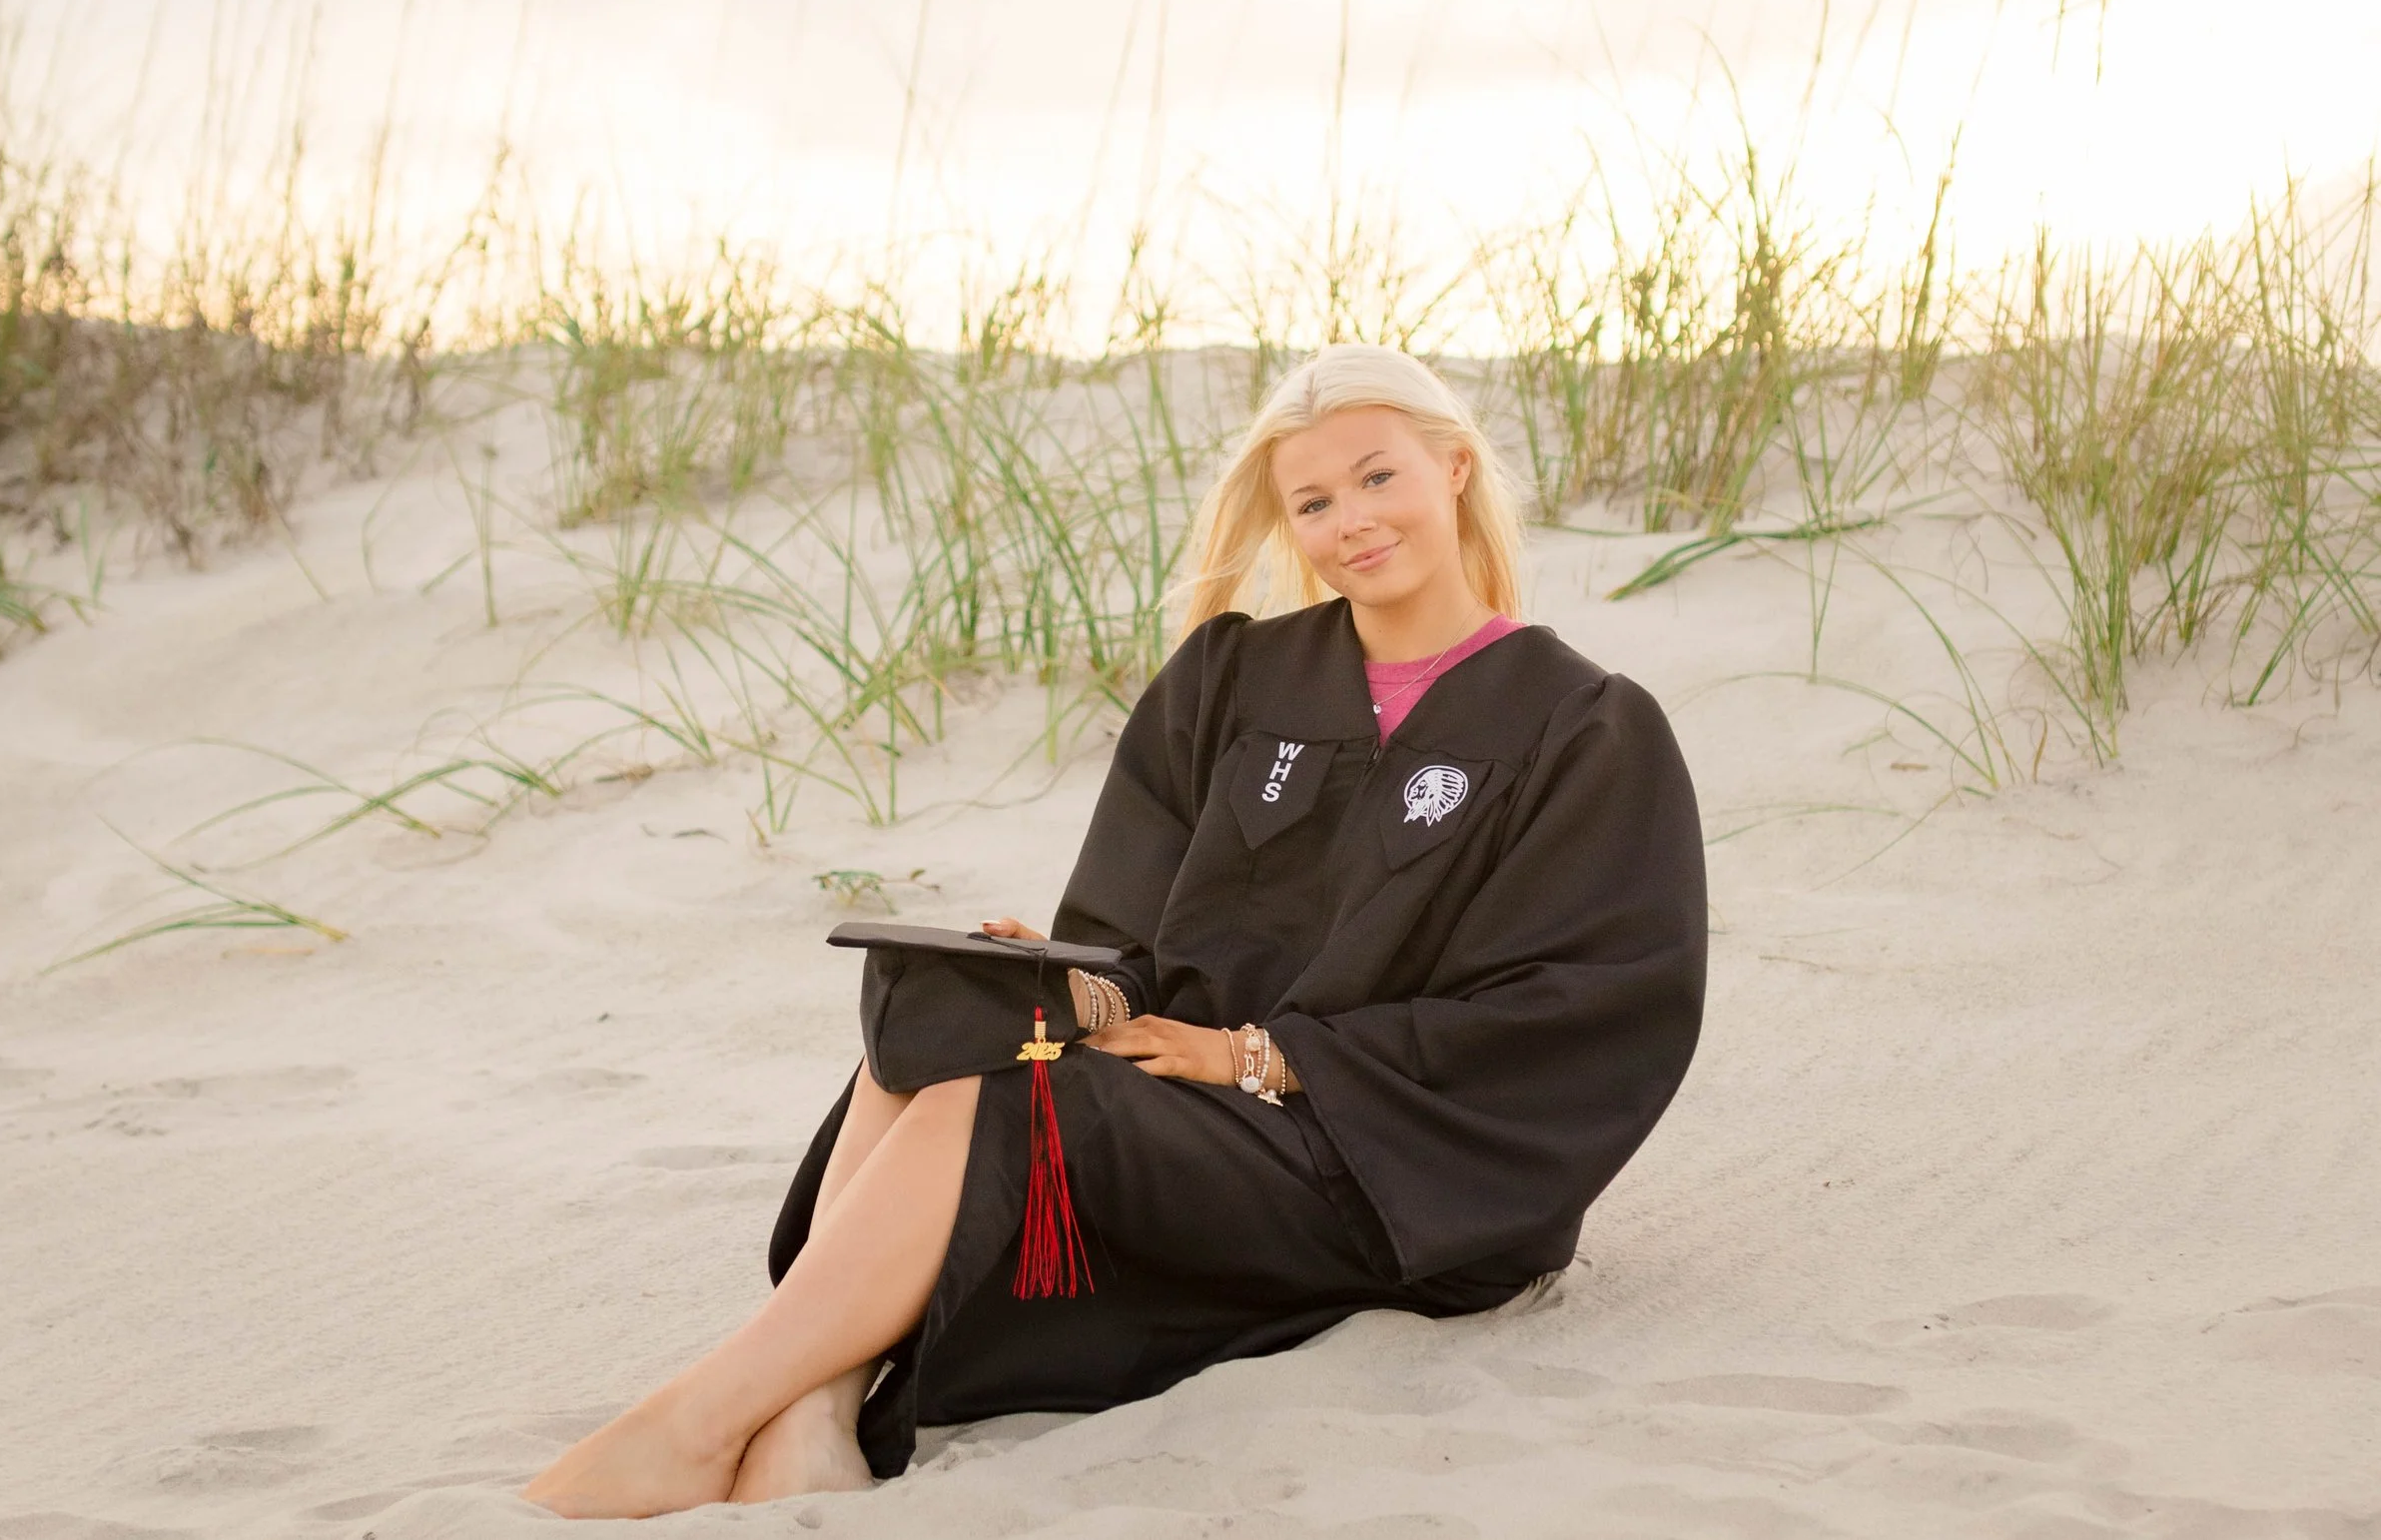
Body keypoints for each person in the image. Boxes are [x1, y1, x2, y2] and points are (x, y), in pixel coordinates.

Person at [522, 345, 1708, 1517]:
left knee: (1002, 1103)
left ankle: (693, 1422)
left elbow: (1579, 1014)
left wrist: (1254, 1054)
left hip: (1388, 1161)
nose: (1351, 518)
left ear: (1451, 468)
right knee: (944, 1019)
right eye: (1313, 500)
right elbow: (1128, 941)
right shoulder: (1233, 679)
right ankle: (811, 1415)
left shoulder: (1581, 726)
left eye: (1377, 476)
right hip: (1185, 1112)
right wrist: (1054, 978)